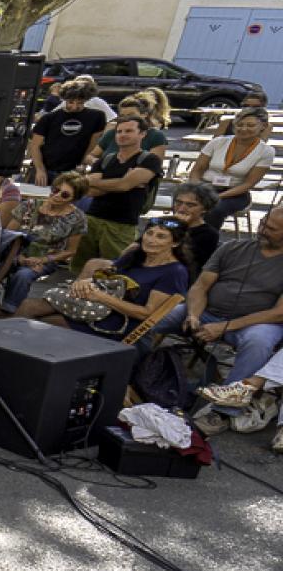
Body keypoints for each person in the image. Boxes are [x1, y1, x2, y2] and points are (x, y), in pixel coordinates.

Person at [161, 209, 283, 386]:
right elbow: (200, 286)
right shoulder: (232, 247)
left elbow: (278, 313)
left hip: (253, 324)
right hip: (207, 313)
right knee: (155, 318)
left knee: (258, 342)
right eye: (263, 223)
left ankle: (226, 405)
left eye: (271, 229)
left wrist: (224, 327)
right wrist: (193, 314)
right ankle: (125, 371)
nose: (262, 230)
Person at [15, 218, 189, 339]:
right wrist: (86, 282)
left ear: (175, 243)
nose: (151, 240)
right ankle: (0, 348)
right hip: (95, 305)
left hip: (117, 322)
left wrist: (100, 296)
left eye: (161, 236)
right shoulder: (137, 255)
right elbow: (107, 275)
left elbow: (146, 313)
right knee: (28, 306)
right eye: (149, 233)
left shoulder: (174, 272)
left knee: (39, 324)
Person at [75, 117, 163, 269]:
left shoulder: (149, 160)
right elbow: (90, 190)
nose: (122, 135)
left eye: (129, 131)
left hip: (122, 223)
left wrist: (98, 181)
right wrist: (123, 183)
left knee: (115, 268)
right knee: (81, 266)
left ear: (142, 134)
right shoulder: (106, 159)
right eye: (119, 131)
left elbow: (123, 186)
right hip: (92, 218)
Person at [0, 172, 90, 314]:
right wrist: (17, 257)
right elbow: (8, 235)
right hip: (13, 252)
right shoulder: (30, 205)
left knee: (23, 276)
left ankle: (9, 312)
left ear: (74, 199)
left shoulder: (77, 218)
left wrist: (43, 259)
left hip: (46, 259)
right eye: (55, 190)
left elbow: (71, 251)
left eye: (65, 195)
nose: (57, 195)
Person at [188, 108, 274, 233]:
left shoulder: (266, 151)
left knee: (214, 209)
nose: (243, 129)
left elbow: (248, 184)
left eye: (250, 125)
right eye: (239, 125)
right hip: (204, 186)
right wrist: (197, 188)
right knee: (182, 201)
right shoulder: (218, 142)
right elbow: (197, 170)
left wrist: (217, 196)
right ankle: (178, 238)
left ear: (263, 126)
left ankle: (206, 242)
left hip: (234, 193)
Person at [27, 79, 107, 186]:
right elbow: (35, 145)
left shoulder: (96, 117)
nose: (75, 106)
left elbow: (93, 144)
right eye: (71, 102)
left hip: (73, 172)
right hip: (47, 168)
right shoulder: (49, 118)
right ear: (64, 99)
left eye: (80, 103)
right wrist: (40, 169)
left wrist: (83, 164)